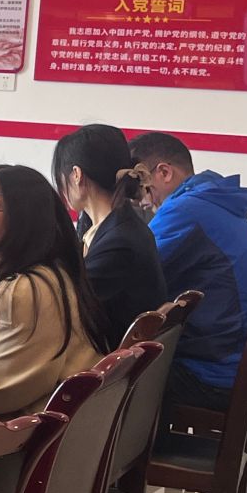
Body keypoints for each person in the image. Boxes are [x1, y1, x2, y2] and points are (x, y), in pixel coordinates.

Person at [129, 131, 247, 410]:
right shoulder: (214, 198)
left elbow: (132, 272)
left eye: (142, 187)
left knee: (110, 384)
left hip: (216, 373)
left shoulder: (184, 210)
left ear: (164, 172)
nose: (143, 202)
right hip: (241, 360)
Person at [0, 167, 106, 416]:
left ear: (23, 218)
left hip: (34, 432)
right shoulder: (38, 270)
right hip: (53, 421)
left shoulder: (27, 289)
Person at [52, 125, 167, 343]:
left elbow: (65, 303)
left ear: (76, 175)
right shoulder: (107, 223)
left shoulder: (120, 241)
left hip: (107, 353)